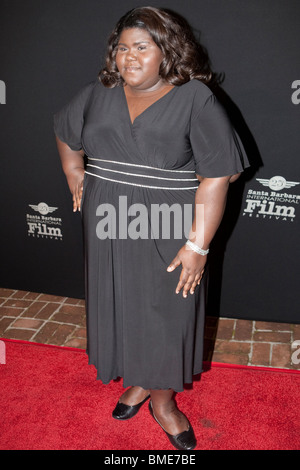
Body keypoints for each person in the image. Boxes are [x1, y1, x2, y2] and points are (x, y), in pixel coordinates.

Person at [54, 6, 249, 450]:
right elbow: (66, 130)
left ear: (166, 51)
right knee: (124, 307)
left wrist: (198, 245)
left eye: (141, 47)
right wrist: (73, 170)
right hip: (108, 223)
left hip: (168, 224)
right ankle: (140, 381)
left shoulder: (194, 97)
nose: (129, 58)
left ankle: (164, 403)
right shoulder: (98, 91)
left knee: (165, 317)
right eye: (122, 48)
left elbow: (218, 175)